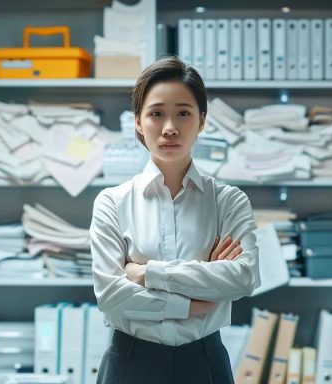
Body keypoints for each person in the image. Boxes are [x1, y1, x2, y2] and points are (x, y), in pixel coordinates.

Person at [90, 56, 261, 384]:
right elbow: (110, 296)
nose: (170, 127)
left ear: (202, 121)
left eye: (183, 112)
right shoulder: (112, 202)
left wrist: (146, 272)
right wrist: (193, 300)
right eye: (156, 113)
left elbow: (243, 278)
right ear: (138, 122)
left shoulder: (228, 201)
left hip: (204, 360)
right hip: (130, 361)